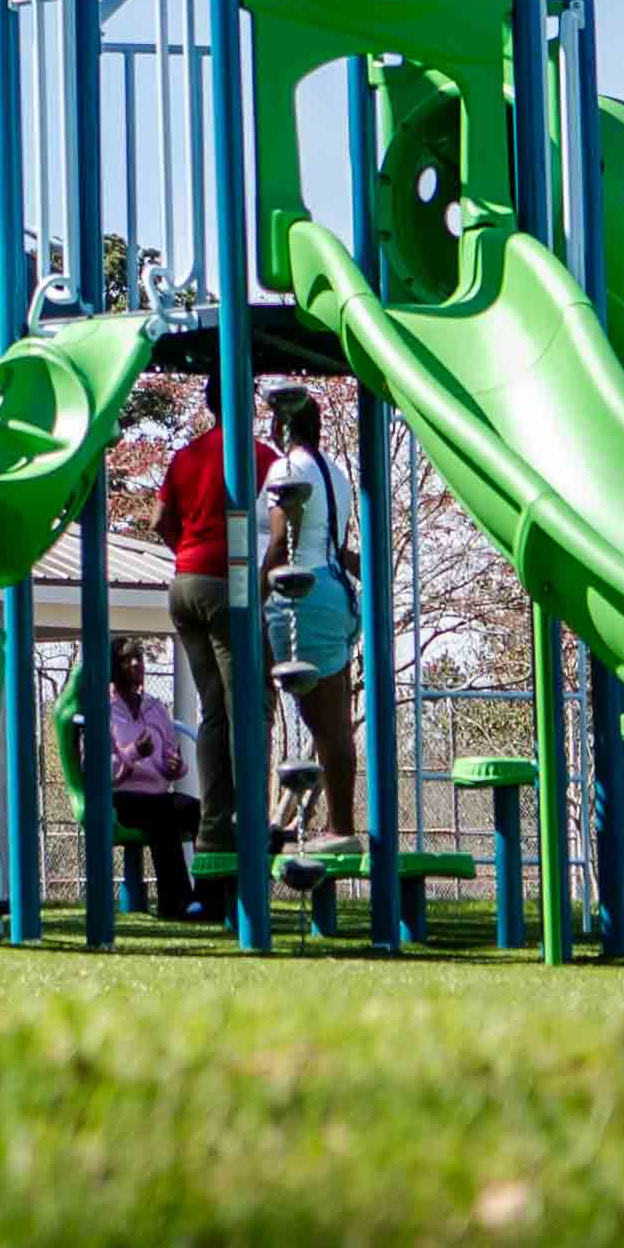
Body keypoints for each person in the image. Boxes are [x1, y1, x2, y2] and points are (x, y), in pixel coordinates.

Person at [261, 385, 366, 845]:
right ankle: (339, 823)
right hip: (337, 592)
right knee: (334, 719)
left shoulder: (289, 469)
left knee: (322, 721)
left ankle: (340, 827)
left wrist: (253, 594)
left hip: (302, 596)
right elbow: (335, 543)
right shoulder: (335, 474)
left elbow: (282, 541)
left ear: (283, 423)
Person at [153, 396, 247, 887]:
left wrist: (187, 552)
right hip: (225, 586)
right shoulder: (254, 454)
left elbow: (159, 519)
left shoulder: (185, 456)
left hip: (183, 585)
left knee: (214, 709)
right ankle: (246, 818)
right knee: (244, 706)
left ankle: (212, 828)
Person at [95, 637, 202, 922]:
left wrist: (175, 766)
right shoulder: (102, 710)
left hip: (158, 795)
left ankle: (208, 897)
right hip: (121, 797)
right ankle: (175, 902)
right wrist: (133, 753)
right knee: (162, 816)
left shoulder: (156, 708)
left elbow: (170, 758)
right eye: (126, 660)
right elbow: (96, 769)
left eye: (139, 658)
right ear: (112, 668)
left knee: (199, 813)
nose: (135, 664)